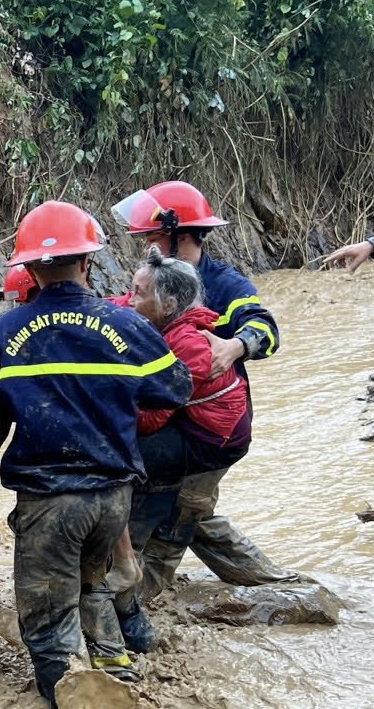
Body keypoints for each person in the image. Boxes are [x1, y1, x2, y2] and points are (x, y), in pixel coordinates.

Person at [0, 201, 192, 709]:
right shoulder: (124, 325)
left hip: (49, 502)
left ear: (29, 268)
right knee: (93, 584)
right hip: (112, 502)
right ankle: (119, 674)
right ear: (89, 262)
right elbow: (176, 388)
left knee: (47, 618)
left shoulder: (8, 332)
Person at [112, 181, 293, 599]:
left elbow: (265, 328)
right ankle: (273, 581)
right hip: (180, 414)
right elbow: (123, 309)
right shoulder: (159, 275)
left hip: (214, 426)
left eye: (153, 237)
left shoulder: (225, 284)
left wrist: (234, 346)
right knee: (185, 506)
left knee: (184, 511)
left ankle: (138, 605)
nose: (145, 247)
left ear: (183, 234)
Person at [111, 249, 253, 652]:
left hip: (211, 440)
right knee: (194, 515)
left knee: (132, 465)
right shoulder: (166, 315)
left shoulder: (187, 345)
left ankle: (131, 581)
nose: (130, 300)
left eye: (139, 295)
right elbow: (117, 305)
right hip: (195, 420)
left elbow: (154, 416)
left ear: (168, 305)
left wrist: (105, 406)